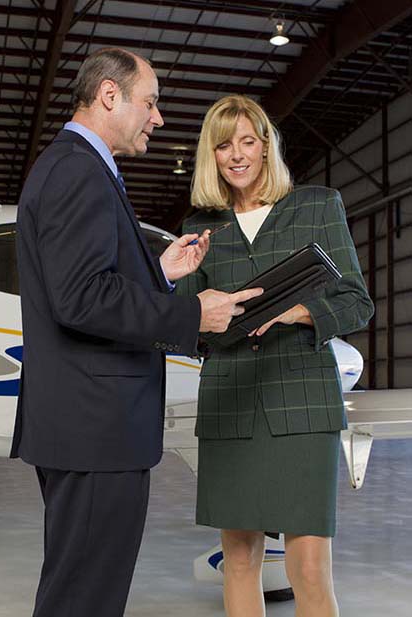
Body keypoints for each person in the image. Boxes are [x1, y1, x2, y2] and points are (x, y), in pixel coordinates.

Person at [10, 50, 263, 617]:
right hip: (96, 428)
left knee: (79, 589)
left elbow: (82, 283)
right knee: (85, 598)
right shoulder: (78, 169)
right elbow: (82, 298)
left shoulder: (75, 166)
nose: (159, 118)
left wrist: (159, 272)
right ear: (108, 95)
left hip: (84, 425)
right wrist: (192, 314)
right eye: (149, 102)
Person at [178, 94, 374, 617]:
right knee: (239, 561)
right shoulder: (201, 227)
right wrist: (181, 291)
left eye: (248, 141)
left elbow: (357, 303)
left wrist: (295, 312)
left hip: (302, 404)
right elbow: (181, 327)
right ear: (211, 155)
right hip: (230, 404)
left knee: (308, 567)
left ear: (267, 145)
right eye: (224, 146)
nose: (237, 155)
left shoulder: (316, 205)